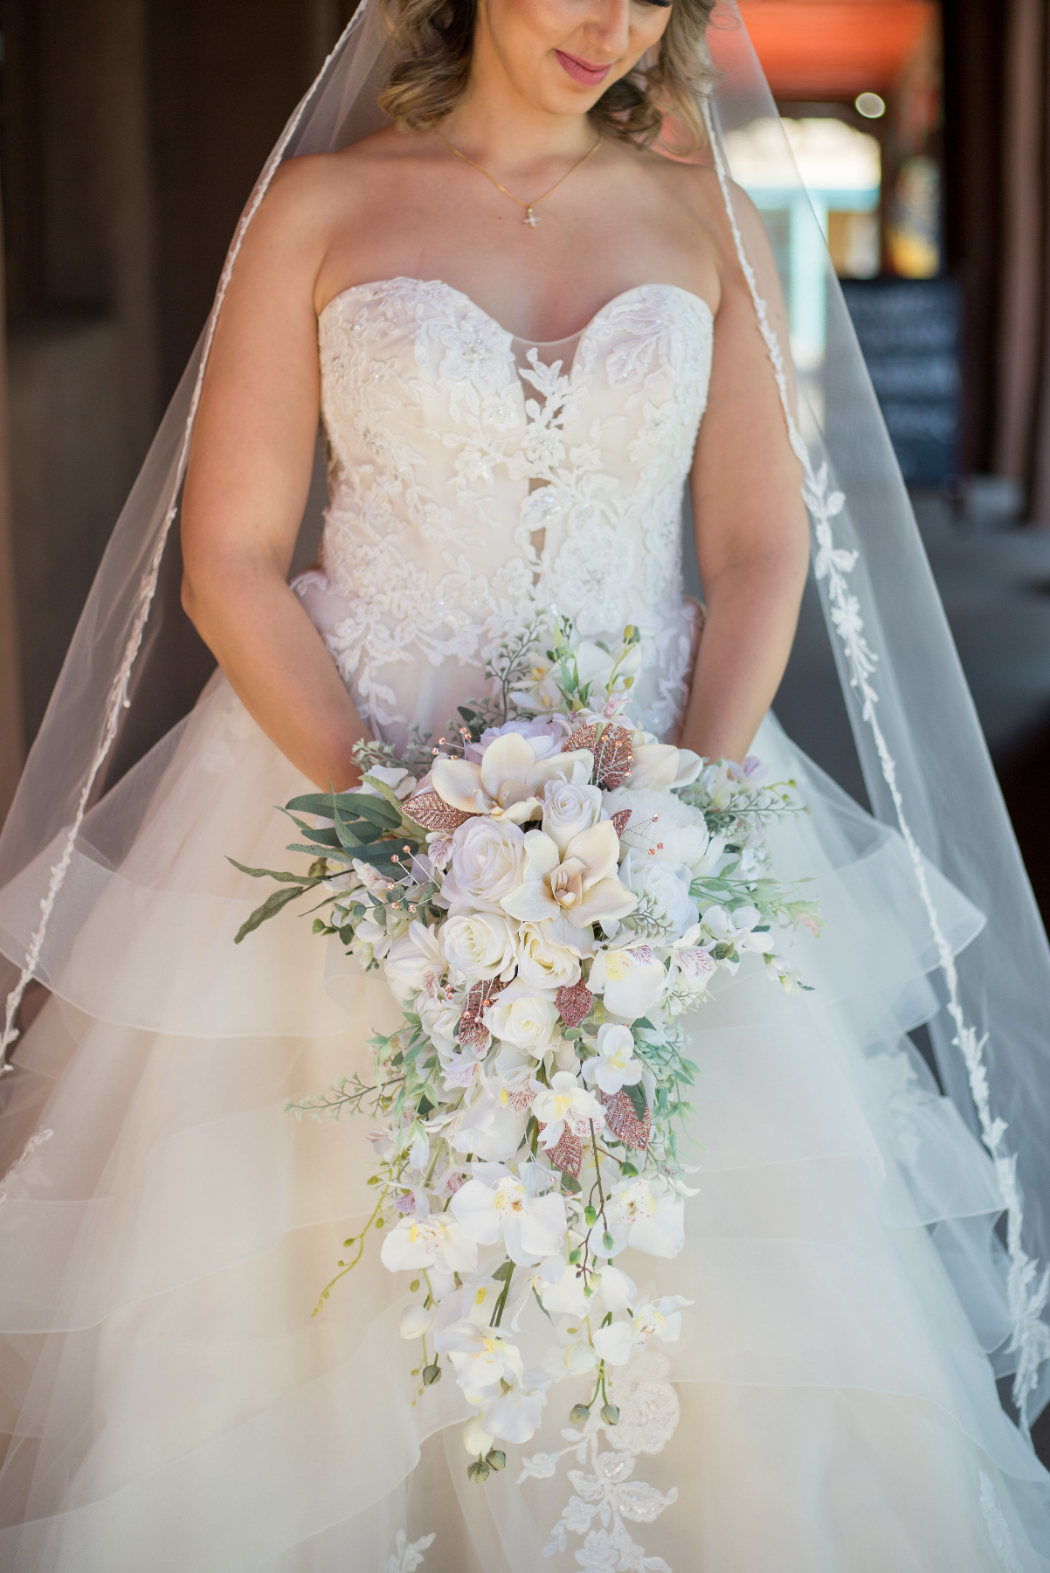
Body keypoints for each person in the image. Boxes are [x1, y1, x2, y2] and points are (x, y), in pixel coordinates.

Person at [1, 0, 1050, 1567]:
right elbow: (227, 561)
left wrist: (668, 820)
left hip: (656, 825)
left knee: (707, 1292)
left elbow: (762, 549)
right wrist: (406, 828)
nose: (611, 25)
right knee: (314, 1304)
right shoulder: (322, 206)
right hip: (338, 801)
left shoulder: (704, 211)